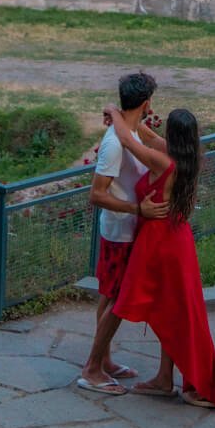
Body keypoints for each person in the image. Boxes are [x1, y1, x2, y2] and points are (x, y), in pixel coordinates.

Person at [102, 104, 215, 411]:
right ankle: (165, 378)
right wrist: (133, 117)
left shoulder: (161, 160)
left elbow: (127, 141)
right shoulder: (187, 158)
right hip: (179, 240)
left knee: (129, 299)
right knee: (175, 311)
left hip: (158, 242)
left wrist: (114, 113)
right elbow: (144, 135)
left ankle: (99, 363)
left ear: (172, 134)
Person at [76, 70, 166, 393]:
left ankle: (105, 360)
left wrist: (116, 113)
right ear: (146, 103)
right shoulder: (116, 143)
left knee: (109, 295)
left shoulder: (129, 132)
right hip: (121, 232)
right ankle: (92, 369)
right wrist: (136, 210)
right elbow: (96, 194)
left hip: (123, 230)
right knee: (118, 300)